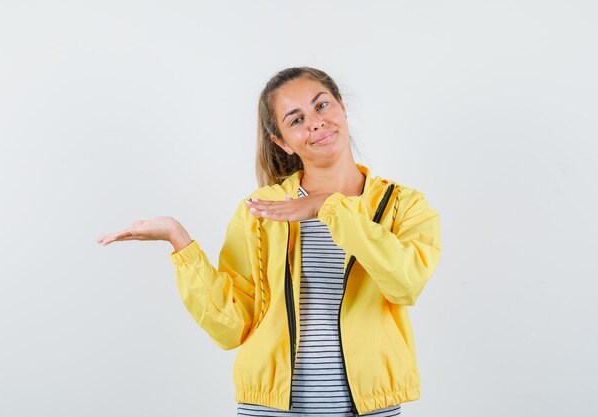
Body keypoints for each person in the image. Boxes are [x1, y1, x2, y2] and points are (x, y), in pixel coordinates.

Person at [97, 67, 442, 416]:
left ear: (342, 106)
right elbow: (231, 326)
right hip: (271, 409)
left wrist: (328, 206)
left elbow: (405, 284)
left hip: (370, 408)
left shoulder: (405, 205)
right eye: (296, 120)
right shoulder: (261, 210)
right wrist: (179, 240)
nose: (316, 123)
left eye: (322, 105)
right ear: (281, 141)